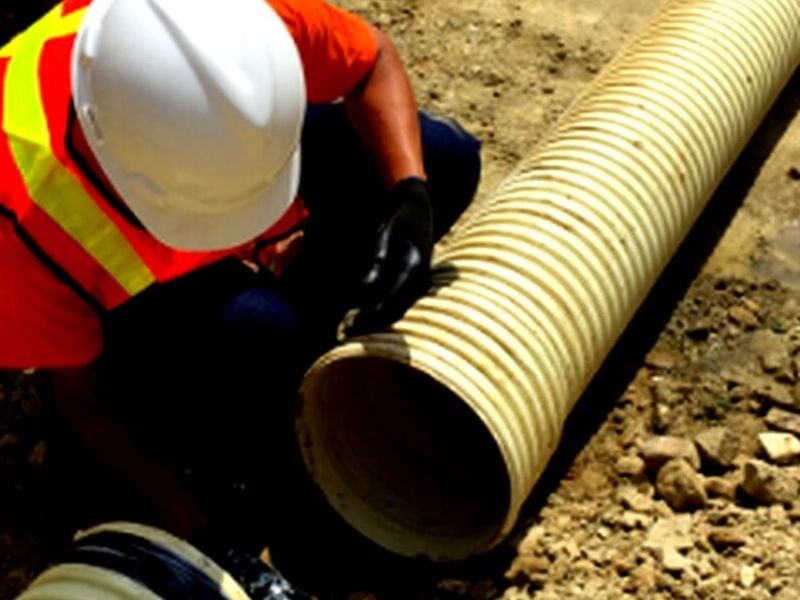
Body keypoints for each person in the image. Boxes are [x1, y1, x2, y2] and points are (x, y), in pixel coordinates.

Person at [0, 0, 480, 596]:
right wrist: (208, 536)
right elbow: (86, 401)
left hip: (227, 160)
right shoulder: (17, 212)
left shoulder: (222, 34)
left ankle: (312, 341)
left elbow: (371, 58)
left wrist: (410, 198)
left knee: (446, 159)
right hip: (115, 317)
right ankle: (254, 416)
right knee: (262, 334)